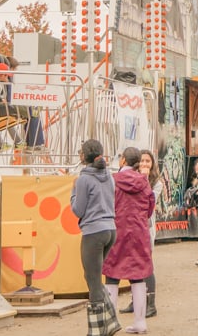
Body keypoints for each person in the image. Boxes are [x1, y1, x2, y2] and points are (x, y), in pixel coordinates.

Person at [103, 147, 156, 334]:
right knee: (138, 276)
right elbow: (150, 208)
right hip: (139, 233)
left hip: (117, 231)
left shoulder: (112, 181)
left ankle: (110, 322)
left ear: (123, 160)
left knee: (112, 275)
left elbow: (107, 204)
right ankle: (140, 322)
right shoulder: (144, 182)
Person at [71, 139, 119, 335]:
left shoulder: (83, 179)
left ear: (84, 156)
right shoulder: (108, 175)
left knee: (92, 279)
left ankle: (98, 329)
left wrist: (73, 193)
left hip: (93, 231)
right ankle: (111, 321)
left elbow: (78, 209)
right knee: (93, 277)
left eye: (80, 152)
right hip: (110, 229)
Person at [121, 149, 161, 319]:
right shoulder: (129, 179)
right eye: (142, 161)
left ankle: (151, 303)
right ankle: (136, 300)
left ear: (152, 164)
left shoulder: (156, 183)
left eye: (148, 161)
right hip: (131, 227)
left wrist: (144, 179)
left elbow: (149, 202)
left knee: (146, 263)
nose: (145, 164)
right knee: (132, 263)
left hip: (146, 226)